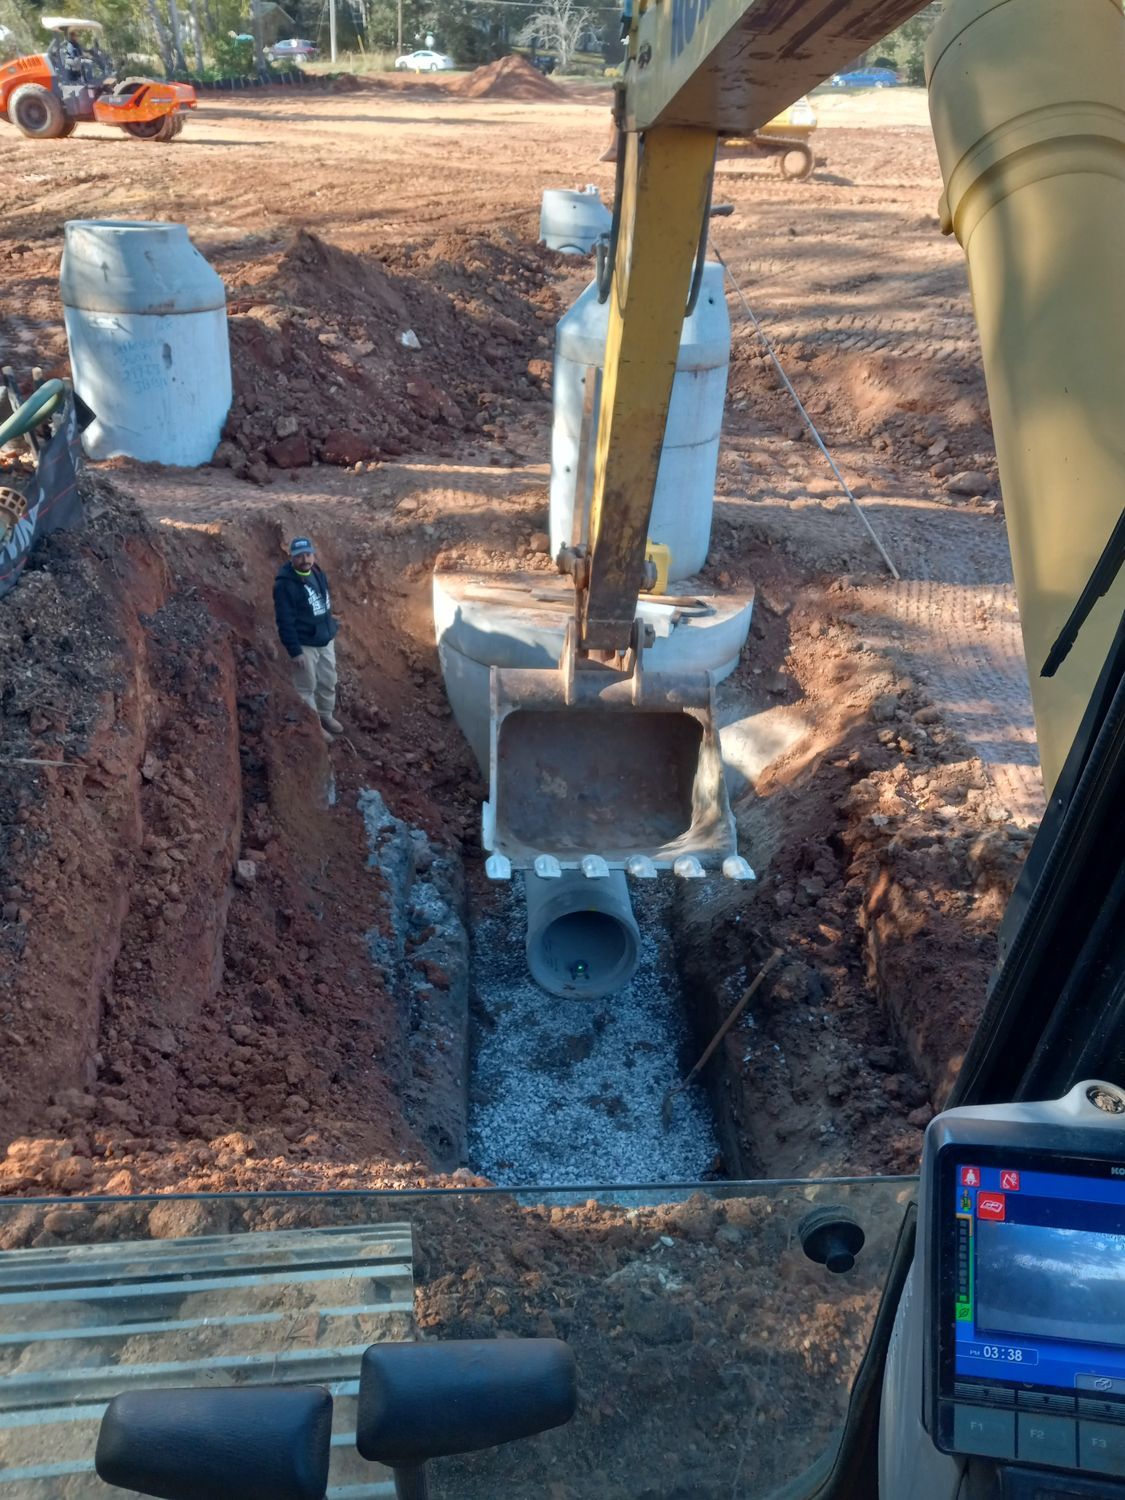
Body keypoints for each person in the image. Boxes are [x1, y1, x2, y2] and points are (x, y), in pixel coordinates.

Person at [273, 537, 343, 737]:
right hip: (305, 644)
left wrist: (330, 623)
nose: (305, 559)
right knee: (306, 686)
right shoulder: (284, 585)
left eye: (308, 554)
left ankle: (326, 714)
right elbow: (284, 621)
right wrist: (295, 651)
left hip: (325, 639)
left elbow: (322, 601)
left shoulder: (317, 572)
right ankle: (315, 727)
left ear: (313, 555)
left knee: (328, 680)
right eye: (299, 556)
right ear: (291, 558)